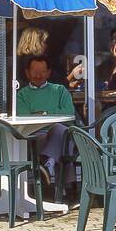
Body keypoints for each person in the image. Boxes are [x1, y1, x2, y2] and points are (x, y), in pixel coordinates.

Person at [15, 53, 75, 187]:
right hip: (36, 136)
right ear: (27, 73)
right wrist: (52, 116)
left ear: (48, 73)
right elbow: (24, 117)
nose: (38, 75)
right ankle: (66, 189)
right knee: (64, 138)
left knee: (60, 130)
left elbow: (69, 113)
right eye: (35, 72)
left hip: (59, 132)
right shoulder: (22, 95)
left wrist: (45, 114)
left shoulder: (59, 90)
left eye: (42, 72)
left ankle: (48, 164)